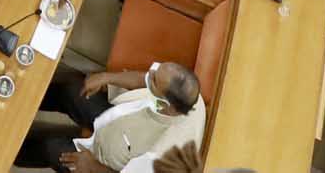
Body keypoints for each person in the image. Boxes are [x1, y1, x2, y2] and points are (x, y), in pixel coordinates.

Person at [14, 63, 205, 173]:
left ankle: (13, 153)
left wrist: (93, 166)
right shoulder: (184, 89)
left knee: (50, 149)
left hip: (104, 161)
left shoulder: (161, 159)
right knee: (72, 90)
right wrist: (106, 77)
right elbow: (145, 78)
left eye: (154, 80)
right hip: (117, 118)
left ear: (167, 104)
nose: (152, 73)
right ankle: (22, 98)